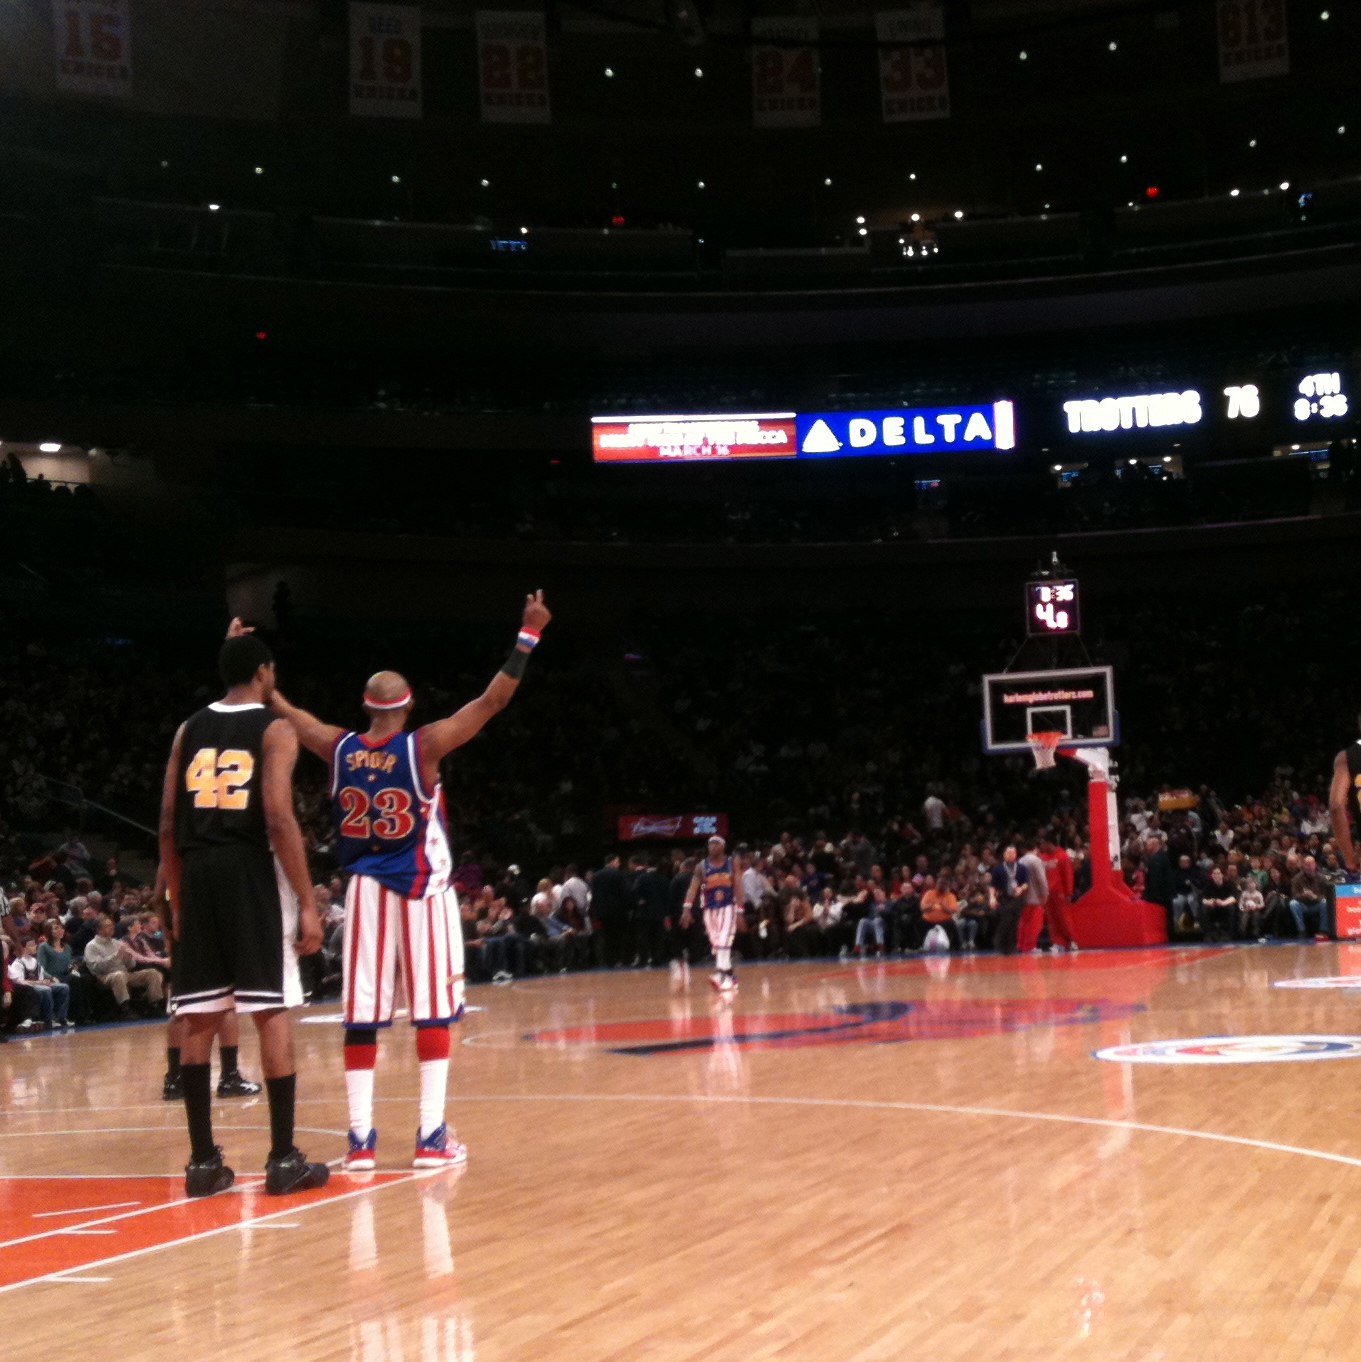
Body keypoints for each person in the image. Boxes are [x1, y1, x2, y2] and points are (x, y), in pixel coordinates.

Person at [269, 590, 551, 1172]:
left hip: (364, 891)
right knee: (433, 1010)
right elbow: (494, 700)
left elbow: (294, 718)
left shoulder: (338, 747)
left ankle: (360, 1141)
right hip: (421, 889)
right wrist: (528, 635)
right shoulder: (424, 747)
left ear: (366, 705)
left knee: (361, 1015)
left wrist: (267, 688)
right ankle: (429, 1136)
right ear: (409, 704)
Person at [158, 628, 327, 1200]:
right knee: (270, 1010)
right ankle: (283, 1159)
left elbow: (166, 823)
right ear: (264, 672)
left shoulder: (188, 729)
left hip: (197, 873)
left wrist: (177, 898)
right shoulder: (275, 728)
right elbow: (277, 816)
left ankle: (202, 1164)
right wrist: (308, 902)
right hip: (248, 871)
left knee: (201, 1016)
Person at [681, 835, 744, 993]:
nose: (712, 847)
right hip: (709, 908)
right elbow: (693, 888)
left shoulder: (732, 863)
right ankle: (730, 977)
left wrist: (740, 910)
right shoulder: (701, 866)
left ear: (723, 846)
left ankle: (719, 973)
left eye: (716, 844)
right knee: (716, 943)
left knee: (724, 939)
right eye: (710, 844)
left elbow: (738, 885)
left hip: (728, 906)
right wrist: (686, 909)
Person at [84, 915, 166, 1017]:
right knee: (119, 975)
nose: (111, 928)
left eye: (112, 925)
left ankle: (154, 1005)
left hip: (125, 973)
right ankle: (125, 1008)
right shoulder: (92, 946)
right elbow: (96, 968)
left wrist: (129, 958)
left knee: (153, 973)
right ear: (99, 930)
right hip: (105, 976)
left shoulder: (117, 943)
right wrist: (116, 956)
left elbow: (130, 966)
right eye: (107, 926)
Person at [8, 937, 71, 1029]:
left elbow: (41, 978)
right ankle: (49, 1019)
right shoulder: (18, 963)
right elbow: (20, 982)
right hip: (29, 988)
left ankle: (61, 1017)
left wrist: (45, 981)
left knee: (63, 987)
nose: (35, 947)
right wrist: (39, 983)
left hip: (39, 984)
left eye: (35, 944)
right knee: (46, 990)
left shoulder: (35, 962)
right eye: (31, 945)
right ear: (24, 948)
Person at [1037, 833, 1076, 953]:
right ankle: (1059, 943)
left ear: (1049, 843)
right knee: (1052, 920)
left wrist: (1068, 892)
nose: (1041, 846)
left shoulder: (1062, 856)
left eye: (1043, 843)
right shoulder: (1042, 857)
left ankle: (1072, 940)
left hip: (1059, 892)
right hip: (1047, 893)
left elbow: (1068, 875)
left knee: (1063, 918)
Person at [989, 846, 1029, 955]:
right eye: (1007, 853)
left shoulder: (1021, 868)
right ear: (1004, 855)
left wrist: (1021, 889)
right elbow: (993, 885)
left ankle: (1012, 947)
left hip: (1017, 899)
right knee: (1005, 921)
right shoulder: (998, 869)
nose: (1010, 855)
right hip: (1004, 898)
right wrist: (992, 897)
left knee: (1015, 923)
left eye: (1012, 853)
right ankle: (1000, 945)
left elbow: (1026, 883)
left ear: (1015, 855)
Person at [1016, 841, 1051, 954]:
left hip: (1023, 898)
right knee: (1034, 924)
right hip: (1035, 898)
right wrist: (1045, 894)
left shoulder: (1020, 861)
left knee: (1023, 923)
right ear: (1036, 848)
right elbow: (1041, 879)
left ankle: (1021, 945)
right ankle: (1030, 947)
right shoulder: (1036, 861)